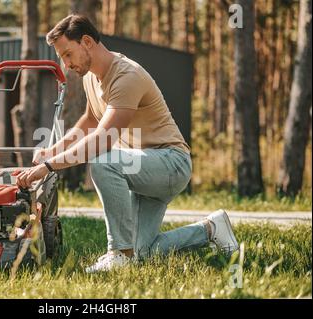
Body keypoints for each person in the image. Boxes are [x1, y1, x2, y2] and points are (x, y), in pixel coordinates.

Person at [16, 14, 238, 273]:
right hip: (141, 165)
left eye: (67, 54)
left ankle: (119, 253)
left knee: (104, 162)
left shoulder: (126, 76)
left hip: (170, 163)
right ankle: (212, 229)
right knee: (143, 251)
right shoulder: (92, 77)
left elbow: (103, 138)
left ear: (86, 41)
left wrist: (49, 166)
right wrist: (53, 150)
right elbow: (90, 120)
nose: (65, 65)